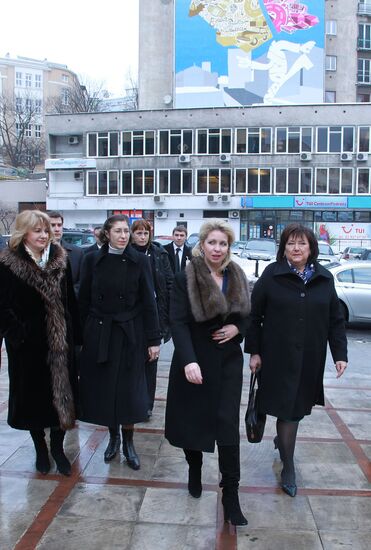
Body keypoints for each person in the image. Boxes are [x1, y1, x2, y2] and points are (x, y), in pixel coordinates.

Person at [246, 223, 348, 498]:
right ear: (283, 248)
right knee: (286, 410)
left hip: (309, 358)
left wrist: (340, 355)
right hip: (276, 357)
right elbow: (254, 317)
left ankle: (284, 443)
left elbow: (335, 320)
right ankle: (288, 465)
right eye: (291, 243)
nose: (296, 248)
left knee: (296, 409)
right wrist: (254, 351)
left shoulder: (324, 279)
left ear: (311, 247)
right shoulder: (272, 275)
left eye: (302, 243)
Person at [165, 219, 250, 526]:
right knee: (194, 423)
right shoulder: (185, 276)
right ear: (202, 245)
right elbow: (177, 321)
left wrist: (237, 328)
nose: (217, 248)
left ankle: (231, 494)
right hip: (195, 361)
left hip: (228, 363)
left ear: (229, 247)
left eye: (223, 243)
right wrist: (188, 360)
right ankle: (194, 468)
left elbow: (248, 316)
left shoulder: (237, 275)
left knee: (227, 425)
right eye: (212, 242)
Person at [0, 210, 81, 476]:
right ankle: (40, 449)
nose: (44, 235)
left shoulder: (60, 259)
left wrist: (76, 337)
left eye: (46, 231)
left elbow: (71, 302)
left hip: (60, 344)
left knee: (61, 398)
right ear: (24, 233)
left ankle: (58, 448)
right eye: (38, 231)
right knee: (33, 400)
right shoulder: (7, 263)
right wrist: (18, 334)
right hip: (27, 347)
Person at [78, 214, 161, 469]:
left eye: (126, 231)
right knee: (106, 390)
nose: (124, 235)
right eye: (118, 231)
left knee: (129, 391)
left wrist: (153, 338)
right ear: (107, 234)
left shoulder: (139, 261)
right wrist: (80, 337)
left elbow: (149, 301)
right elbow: (84, 299)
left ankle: (128, 441)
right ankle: (113, 437)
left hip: (130, 333)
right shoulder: (92, 259)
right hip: (101, 331)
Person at [131, 219, 174, 419]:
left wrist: (168, 316)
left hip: (156, 314)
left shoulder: (159, 253)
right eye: (138, 233)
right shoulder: (126, 254)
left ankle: (147, 404)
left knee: (151, 361)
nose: (142, 236)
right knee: (132, 363)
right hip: (132, 316)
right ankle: (132, 401)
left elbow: (169, 283)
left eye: (145, 233)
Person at [48, 211, 83, 294]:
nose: (57, 229)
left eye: (59, 225)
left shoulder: (77, 253)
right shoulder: (38, 252)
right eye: (52, 225)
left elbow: (82, 281)